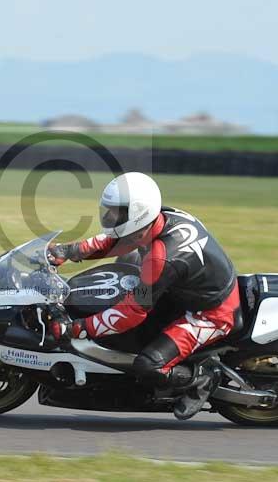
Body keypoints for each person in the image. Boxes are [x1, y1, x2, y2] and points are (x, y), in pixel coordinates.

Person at [46, 172, 240, 420]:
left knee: (148, 365)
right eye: (110, 210)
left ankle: (203, 376)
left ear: (137, 213)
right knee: (124, 266)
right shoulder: (162, 217)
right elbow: (115, 241)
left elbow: (132, 312)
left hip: (212, 313)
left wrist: (79, 328)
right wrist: (69, 250)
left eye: (117, 212)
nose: (110, 217)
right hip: (185, 287)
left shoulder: (161, 257)